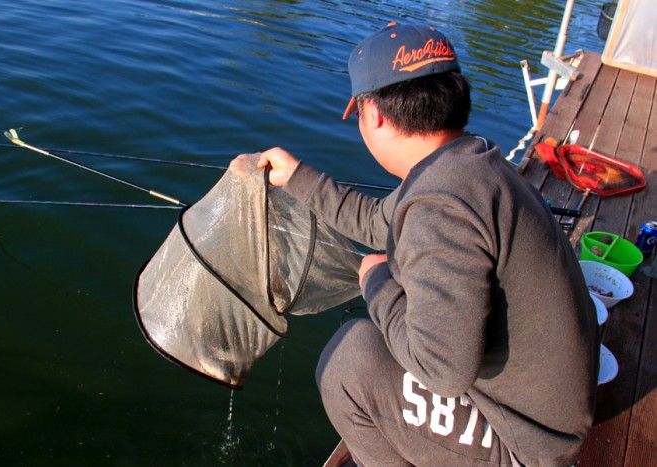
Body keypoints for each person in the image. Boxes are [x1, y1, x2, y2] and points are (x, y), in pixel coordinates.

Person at [232, 22, 599, 466]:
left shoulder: (441, 204)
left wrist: (377, 282)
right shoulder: (466, 162)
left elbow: (441, 370)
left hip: (527, 445)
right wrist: (296, 177)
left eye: (358, 115)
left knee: (349, 361)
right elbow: (377, 223)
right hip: (540, 412)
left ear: (374, 114)